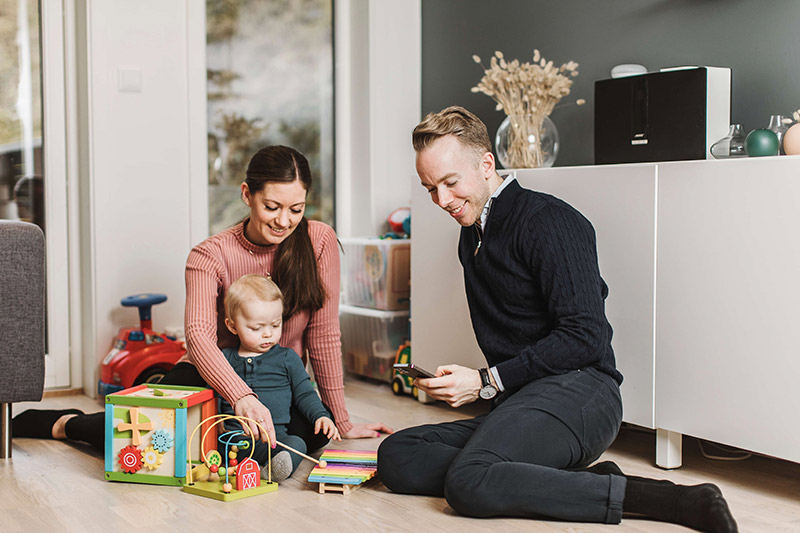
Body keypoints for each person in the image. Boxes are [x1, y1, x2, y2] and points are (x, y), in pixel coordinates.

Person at [377, 106, 737, 533]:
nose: (442, 201)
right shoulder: (472, 234)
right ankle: (540, 477)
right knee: (398, 456)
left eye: (450, 183)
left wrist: (486, 380)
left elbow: (586, 335)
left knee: (468, 482)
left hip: (584, 392)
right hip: (522, 402)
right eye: (430, 188)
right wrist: (490, 387)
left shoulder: (548, 220)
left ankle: (680, 500)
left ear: (487, 164)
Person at [13, 145, 391, 452]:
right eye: (271, 207)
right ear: (247, 194)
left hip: (277, 378)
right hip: (210, 374)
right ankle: (66, 423)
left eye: (297, 208)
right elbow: (199, 336)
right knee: (147, 435)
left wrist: (340, 419)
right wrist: (240, 394)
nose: (284, 221)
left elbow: (323, 334)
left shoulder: (319, 240)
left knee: (311, 439)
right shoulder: (209, 254)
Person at [220, 274, 339, 482]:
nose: (268, 334)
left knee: (299, 444)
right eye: (257, 328)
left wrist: (321, 415)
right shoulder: (224, 359)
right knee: (222, 445)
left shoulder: (287, 358)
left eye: (275, 325)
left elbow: (305, 393)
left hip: (276, 439)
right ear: (232, 326)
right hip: (235, 439)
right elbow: (212, 396)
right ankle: (249, 465)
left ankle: (271, 471)